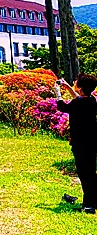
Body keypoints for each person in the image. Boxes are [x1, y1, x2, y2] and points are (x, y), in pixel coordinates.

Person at [55, 75, 97, 214]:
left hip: (80, 143)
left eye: (76, 83)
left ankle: (89, 205)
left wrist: (58, 92)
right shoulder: (92, 100)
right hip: (91, 142)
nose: (74, 83)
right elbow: (78, 99)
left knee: (84, 173)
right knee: (90, 171)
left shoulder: (78, 103)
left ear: (80, 87)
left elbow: (62, 107)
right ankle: (92, 201)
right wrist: (67, 87)